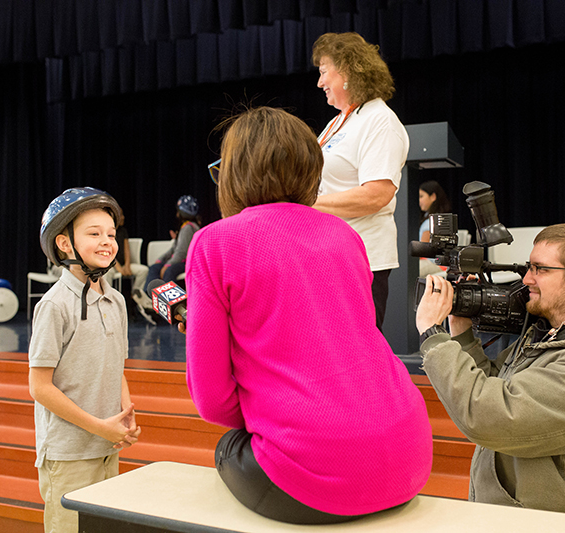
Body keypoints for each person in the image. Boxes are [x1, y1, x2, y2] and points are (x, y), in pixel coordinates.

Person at [184, 106, 432, 524]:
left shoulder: (215, 243)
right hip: (410, 458)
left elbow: (211, 402)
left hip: (315, 477)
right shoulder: (345, 236)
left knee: (227, 447)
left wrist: (281, 415)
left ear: (232, 174)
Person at [415, 223, 565, 520]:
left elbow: (489, 416)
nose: (526, 279)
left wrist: (432, 335)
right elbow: (492, 383)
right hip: (524, 520)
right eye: (529, 266)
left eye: (540, 269)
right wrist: (460, 332)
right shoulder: (550, 335)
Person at [29, 187, 141, 532]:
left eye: (111, 234)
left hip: (107, 445)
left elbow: (116, 367)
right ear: (65, 244)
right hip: (69, 453)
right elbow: (39, 387)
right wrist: (98, 427)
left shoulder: (116, 301)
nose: (107, 241)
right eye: (94, 234)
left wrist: (123, 417)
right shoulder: (53, 305)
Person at [311, 32, 409, 331]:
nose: (319, 82)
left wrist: (306, 204)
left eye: (324, 71)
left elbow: (375, 195)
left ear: (349, 71)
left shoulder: (380, 120)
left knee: (354, 351)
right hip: (328, 253)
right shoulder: (340, 120)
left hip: (360, 259)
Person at [135, 195, 200, 318]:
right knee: (154, 268)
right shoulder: (185, 227)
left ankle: (167, 305)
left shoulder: (188, 228)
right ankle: (150, 299)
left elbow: (181, 253)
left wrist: (168, 264)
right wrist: (161, 260)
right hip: (181, 261)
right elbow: (173, 249)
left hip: (189, 262)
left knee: (169, 271)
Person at [112, 207, 150, 322]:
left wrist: (127, 265)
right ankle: (108, 302)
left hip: (123, 265)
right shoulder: (109, 231)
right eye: (121, 215)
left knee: (143, 270)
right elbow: (107, 252)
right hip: (110, 265)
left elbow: (126, 250)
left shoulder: (123, 231)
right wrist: (118, 267)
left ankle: (136, 295)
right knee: (105, 275)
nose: (123, 218)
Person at [418, 180, 452, 277]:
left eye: (421, 196)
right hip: (438, 264)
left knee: (407, 270)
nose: (419, 200)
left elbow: (422, 251)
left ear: (433, 196)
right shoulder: (438, 219)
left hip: (436, 264)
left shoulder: (431, 222)